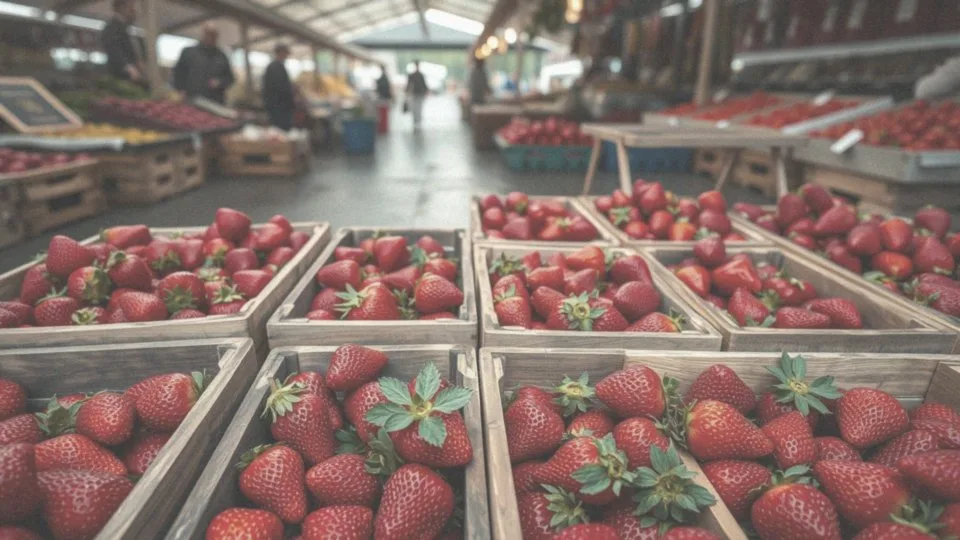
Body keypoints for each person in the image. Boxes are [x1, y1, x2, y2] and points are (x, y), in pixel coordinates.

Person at [172, 24, 235, 104]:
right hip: (191, 99)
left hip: (215, 101)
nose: (211, 38)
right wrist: (180, 90)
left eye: (214, 35)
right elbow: (178, 73)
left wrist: (220, 82)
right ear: (203, 34)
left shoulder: (222, 56)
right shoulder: (188, 52)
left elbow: (230, 78)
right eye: (209, 34)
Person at [101, 0, 144, 85]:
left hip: (131, 76)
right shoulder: (112, 27)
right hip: (121, 78)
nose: (134, 9)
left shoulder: (126, 28)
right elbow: (113, 50)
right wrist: (129, 68)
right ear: (121, 7)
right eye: (130, 6)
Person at [262, 44, 295, 131]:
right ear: (280, 53)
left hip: (279, 106)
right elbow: (280, 88)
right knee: (281, 131)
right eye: (285, 53)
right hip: (279, 107)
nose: (286, 56)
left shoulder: (277, 66)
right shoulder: (275, 67)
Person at [405, 60, 428, 129]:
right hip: (415, 93)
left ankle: (417, 120)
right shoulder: (415, 75)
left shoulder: (419, 75)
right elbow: (409, 85)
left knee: (418, 108)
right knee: (416, 108)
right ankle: (416, 120)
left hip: (418, 93)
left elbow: (424, 85)